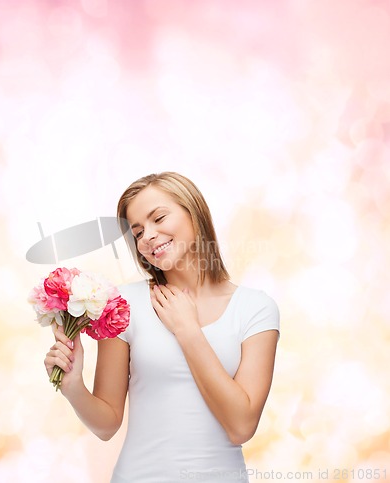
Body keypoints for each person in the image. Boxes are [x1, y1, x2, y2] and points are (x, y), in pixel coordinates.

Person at [44, 172, 280, 482]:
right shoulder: (123, 305)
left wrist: (188, 332)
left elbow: (241, 427)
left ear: (193, 211)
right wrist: (73, 386)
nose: (148, 237)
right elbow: (107, 424)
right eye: (138, 232)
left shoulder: (255, 309)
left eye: (159, 218)